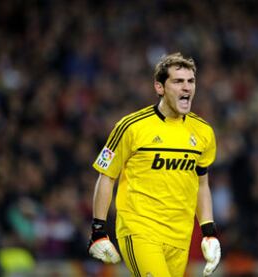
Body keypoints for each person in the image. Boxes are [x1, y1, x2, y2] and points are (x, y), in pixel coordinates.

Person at [87, 52, 221, 277]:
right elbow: (107, 176)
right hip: (140, 229)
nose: (187, 88)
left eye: (191, 81)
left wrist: (209, 231)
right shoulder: (131, 127)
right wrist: (98, 231)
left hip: (180, 235)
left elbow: (202, 183)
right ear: (160, 87)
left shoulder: (203, 132)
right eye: (178, 81)